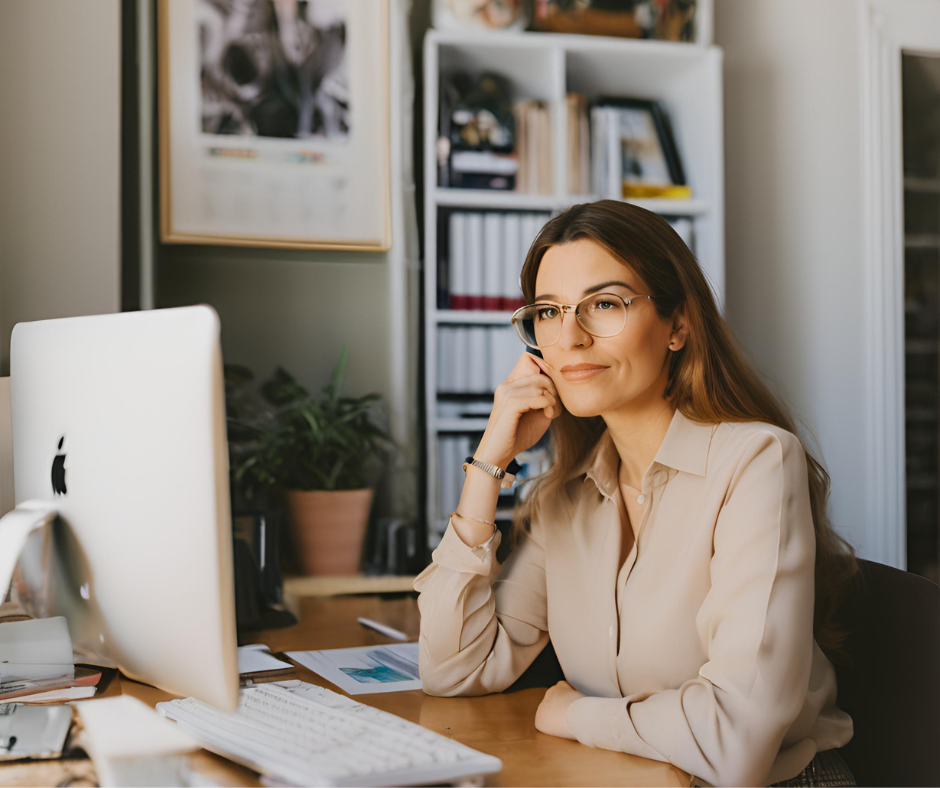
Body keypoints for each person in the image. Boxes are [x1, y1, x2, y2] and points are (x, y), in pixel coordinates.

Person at [414, 200, 858, 787]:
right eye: (549, 311)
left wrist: (575, 714)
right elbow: (453, 669)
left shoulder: (755, 461)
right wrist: (488, 463)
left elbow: (737, 742)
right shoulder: (564, 498)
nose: (569, 337)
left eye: (604, 304)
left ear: (678, 325)